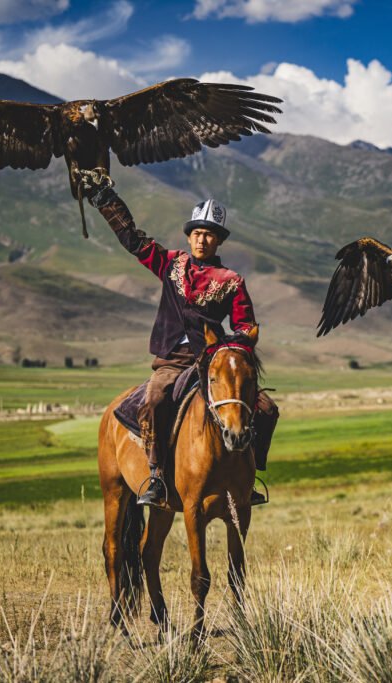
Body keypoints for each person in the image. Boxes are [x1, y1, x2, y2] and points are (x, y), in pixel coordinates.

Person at [79, 170, 277, 507]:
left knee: (267, 408)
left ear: (219, 241)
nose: (202, 240)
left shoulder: (231, 280)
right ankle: (156, 477)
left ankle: (249, 476)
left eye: (209, 235)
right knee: (155, 399)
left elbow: (245, 326)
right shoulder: (171, 265)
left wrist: (230, 347)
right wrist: (105, 200)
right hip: (172, 361)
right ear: (189, 237)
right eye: (197, 233)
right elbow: (134, 240)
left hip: (210, 362)